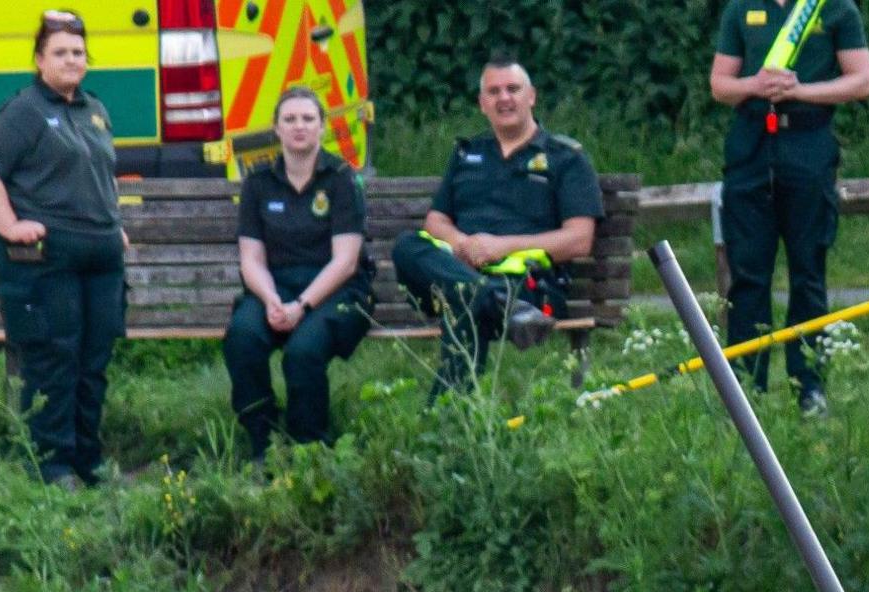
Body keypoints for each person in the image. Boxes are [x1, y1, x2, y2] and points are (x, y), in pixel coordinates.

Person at [0, 9, 125, 488]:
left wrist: (112, 222)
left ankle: (88, 460)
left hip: (101, 258)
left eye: (78, 52)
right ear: (39, 60)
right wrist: (10, 224)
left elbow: (100, 175)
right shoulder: (24, 111)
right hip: (47, 259)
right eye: (60, 52)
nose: (71, 60)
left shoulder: (94, 110)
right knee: (55, 359)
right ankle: (52, 465)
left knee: (93, 361)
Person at [390, 55, 602, 398]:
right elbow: (436, 221)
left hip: (527, 287)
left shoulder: (566, 158)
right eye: (494, 91)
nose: (504, 98)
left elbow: (579, 239)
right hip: (465, 272)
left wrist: (501, 247)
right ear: (482, 103)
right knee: (407, 246)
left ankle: (446, 423)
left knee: (462, 300)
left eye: (513, 89)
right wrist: (462, 244)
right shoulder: (467, 154)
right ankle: (490, 300)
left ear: (530, 96)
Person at [710, 0, 869, 417]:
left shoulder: (835, 9)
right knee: (747, 274)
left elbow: (861, 81)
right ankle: (746, 389)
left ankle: (809, 385)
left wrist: (800, 90)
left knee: (808, 270)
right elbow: (720, 85)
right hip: (751, 147)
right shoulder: (741, 9)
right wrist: (754, 86)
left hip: (809, 144)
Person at [224, 86, 371, 460]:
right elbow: (251, 259)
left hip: (335, 290)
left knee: (302, 352)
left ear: (322, 127)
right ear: (276, 128)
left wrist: (301, 307)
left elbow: (346, 261)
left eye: (308, 118)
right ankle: (265, 444)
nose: (299, 126)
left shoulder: (340, 178)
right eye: (289, 119)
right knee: (242, 337)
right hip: (276, 286)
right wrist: (272, 300)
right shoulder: (258, 183)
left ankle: (309, 451)